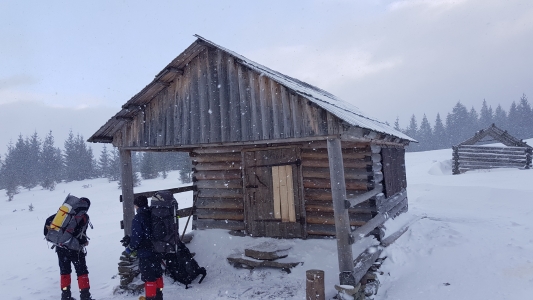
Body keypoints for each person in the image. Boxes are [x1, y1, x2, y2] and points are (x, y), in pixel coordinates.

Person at [44, 197, 94, 300]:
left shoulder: (63, 215)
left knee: (64, 271)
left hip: (61, 247)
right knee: (82, 272)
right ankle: (85, 296)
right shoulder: (84, 216)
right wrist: (84, 242)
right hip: (76, 250)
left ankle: (66, 296)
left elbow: (48, 225)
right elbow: (80, 233)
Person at [125, 195, 164, 300]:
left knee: (149, 278)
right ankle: (159, 296)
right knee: (157, 274)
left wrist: (130, 248)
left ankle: (151, 298)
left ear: (136, 205)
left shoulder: (139, 218)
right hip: (157, 250)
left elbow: (137, 237)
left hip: (145, 252)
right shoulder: (153, 213)